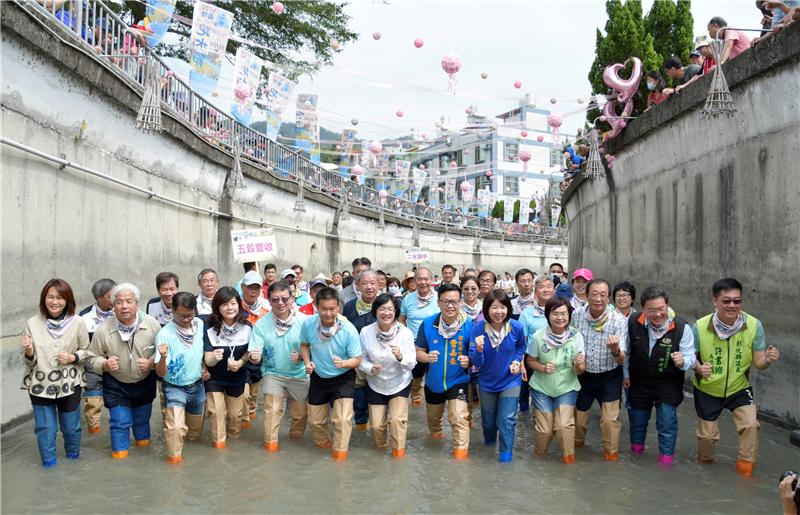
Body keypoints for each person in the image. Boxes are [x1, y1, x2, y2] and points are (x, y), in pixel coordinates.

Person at [692, 277, 780, 476]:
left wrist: (767, 359)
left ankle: (745, 474)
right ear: (715, 301)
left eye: (737, 301)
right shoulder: (699, 327)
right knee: (707, 437)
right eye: (727, 301)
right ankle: (705, 473)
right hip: (708, 389)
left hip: (738, 387)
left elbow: (758, 363)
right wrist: (698, 369)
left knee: (750, 425)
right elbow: (690, 358)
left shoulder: (754, 325)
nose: (732, 305)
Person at [22, 279, 90, 468]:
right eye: (50, 297)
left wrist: (72, 357)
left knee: (71, 427)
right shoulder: (33, 323)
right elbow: (29, 361)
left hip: (70, 384)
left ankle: (73, 460)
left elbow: (87, 351)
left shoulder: (78, 322)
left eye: (59, 298)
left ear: (67, 300)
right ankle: (49, 466)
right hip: (40, 383)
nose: (54, 302)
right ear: (44, 299)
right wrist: (29, 352)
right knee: (45, 429)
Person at [89, 283, 161, 459]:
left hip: (144, 381)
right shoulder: (103, 330)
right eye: (119, 302)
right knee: (119, 423)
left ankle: (144, 460)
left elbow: (162, 352)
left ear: (137, 303)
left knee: (142, 422)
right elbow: (91, 358)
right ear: (113, 305)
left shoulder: (152, 324)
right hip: (116, 384)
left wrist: (151, 362)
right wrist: (105, 364)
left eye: (129, 301)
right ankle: (119, 460)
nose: (124, 306)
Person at [626, 287, 695, 467]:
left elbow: (691, 357)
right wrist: (625, 375)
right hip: (640, 382)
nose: (658, 314)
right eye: (652, 310)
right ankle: (636, 457)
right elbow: (627, 352)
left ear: (667, 306)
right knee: (637, 422)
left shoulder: (681, 327)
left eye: (661, 308)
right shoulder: (633, 321)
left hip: (668, 383)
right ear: (643, 309)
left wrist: (683, 361)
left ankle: (665, 464)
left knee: (667, 424)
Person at [300, 287, 362, 460]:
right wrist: (307, 362)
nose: (328, 313)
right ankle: (323, 448)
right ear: (316, 307)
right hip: (319, 377)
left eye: (332, 309)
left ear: (338, 308)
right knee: (316, 422)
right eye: (324, 309)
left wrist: (344, 363)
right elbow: (304, 345)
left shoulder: (348, 329)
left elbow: (357, 359)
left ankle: (340, 456)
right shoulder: (309, 324)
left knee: (342, 420)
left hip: (343, 377)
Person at [415, 283, 474, 459]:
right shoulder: (427, 324)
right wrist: (426, 358)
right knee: (434, 423)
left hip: (459, 380)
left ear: (460, 303)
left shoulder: (469, 325)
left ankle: (460, 460)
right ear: (439, 303)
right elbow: (417, 351)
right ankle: (435, 452)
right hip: (433, 382)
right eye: (446, 302)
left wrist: (469, 361)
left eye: (454, 302)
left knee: (459, 417)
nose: (450, 306)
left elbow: (478, 356)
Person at [572, 278, 628, 462]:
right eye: (594, 294)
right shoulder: (577, 315)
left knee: (609, 421)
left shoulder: (618, 320)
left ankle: (611, 456)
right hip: (583, 375)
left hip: (610, 376)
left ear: (609, 298)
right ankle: (576, 450)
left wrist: (615, 350)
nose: (598, 299)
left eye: (603, 295)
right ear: (586, 296)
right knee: (579, 420)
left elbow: (621, 360)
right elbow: (571, 342)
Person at [249, 281, 309, 452]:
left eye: (284, 298)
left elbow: (314, 347)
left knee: (300, 415)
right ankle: (270, 447)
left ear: (292, 299)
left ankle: (295, 444)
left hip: (299, 374)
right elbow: (255, 353)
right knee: (272, 411)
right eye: (275, 299)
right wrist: (254, 357)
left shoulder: (305, 321)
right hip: (272, 373)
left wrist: (303, 357)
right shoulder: (261, 324)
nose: (280, 303)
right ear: (268, 301)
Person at [468, 290, 526, 462]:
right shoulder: (478, 329)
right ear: (487, 310)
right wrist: (478, 349)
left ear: (508, 308)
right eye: (494, 308)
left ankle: (505, 457)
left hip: (510, 380)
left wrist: (516, 361)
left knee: (507, 419)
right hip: (486, 382)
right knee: (488, 422)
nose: (498, 312)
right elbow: (476, 362)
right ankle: (489, 447)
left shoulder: (516, 327)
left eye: (502, 307)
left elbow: (521, 347)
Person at [527, 297, 585, 463]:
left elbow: (581, 371)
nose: (560, 318)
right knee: (545, 429)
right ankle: (539, 458)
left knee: (563, 426)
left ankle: (568, 460)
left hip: (567, 387)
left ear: (569, 316)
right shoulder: (538, 337)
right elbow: (530, 360)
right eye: (556, 313)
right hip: (541, 387)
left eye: (564, 314)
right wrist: (543, 368)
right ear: (548, 315)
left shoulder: (576, 336)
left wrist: (579, 365)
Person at [359, 294, 417, 457]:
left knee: (397, 421)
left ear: (396, 311)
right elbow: (361, 359)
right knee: (377, 426)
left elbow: (412, 362)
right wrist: (370, 368)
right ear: (375, 311)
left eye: (390, 309)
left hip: (399, 382)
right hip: (376, 383)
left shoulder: (405, 333)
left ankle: (398, 457)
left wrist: (400, 357)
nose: (386, 313)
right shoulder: (366, 332)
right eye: (382, 309)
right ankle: (380, 455)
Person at [154, 292, 207, 463]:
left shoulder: (199, 324)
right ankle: (174, 461)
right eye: (181, 315)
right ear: (172, 311)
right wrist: (162, 357)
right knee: (175, 427)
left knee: (194, 433)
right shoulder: (164, 334)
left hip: (197, 386)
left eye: (190, 315)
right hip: (174, 387)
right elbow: (160, 373)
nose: (186, 319)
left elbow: (202, 351)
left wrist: (205, 367)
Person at [203, 287, 251, 449]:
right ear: (217, 307)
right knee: (216, 413)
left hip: (237, 377)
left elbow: (248, 353)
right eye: (224, 304)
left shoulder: (248, 326)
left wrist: (241, 362)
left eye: (233, 303)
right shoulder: (208, 326)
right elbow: (207, 359)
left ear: (239, 304)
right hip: (214, 377)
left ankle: (235, 447)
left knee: (235, 417)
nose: (229, 308)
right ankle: (219, 446)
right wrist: (212, 359)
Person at [342, 269, 381, 430]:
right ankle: (361, 423)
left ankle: (378, 424)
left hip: (379, 356)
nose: (369, 287)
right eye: (364, 283)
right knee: (358, 389)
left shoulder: (386, 304)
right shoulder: (350, 306)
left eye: (373, 283)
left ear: (379, 284)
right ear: (357, 285)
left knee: (379, 391)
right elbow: (345, 331)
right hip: (357, 356)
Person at [79, 278, 116, 434]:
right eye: (110, 296)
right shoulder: (84, 317)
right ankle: (94, 433)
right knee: (93, 402)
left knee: (117, 401)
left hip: (115, 363)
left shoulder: (122, 312)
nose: (114, 299)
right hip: (93, 364)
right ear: (98, 298)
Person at [399, 267, 440, 406]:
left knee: (434, 372)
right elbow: (402, 319)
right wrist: (404, 337)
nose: (423, 282)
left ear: (432, 280)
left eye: (426, 279)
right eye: (419, 279)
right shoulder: (407, 299)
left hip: (435, 341)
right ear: (415, 281)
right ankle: (416, 395)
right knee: (416, 373)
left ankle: (433, 399)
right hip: (414, 342)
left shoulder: (439, 299)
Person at [518, 274, 556, 412]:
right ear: (535, 291)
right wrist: (522, 364)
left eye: (549, 286)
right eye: (542, 287)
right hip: (532, 360)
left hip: (555, 359)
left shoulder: (562, 311)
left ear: (554, 290)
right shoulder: (526, 314)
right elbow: (521, 342)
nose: (546, 290)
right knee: (528, 394)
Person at [240, 270, 270, 428]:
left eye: (257, 288)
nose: (253, 291)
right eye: (250, 287)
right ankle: (243, 421)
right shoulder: (234, 305)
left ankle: (251, 413)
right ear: (242, 287)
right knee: (243, 395)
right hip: (241, 356)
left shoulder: (267, 307)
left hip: (259, 357)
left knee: (254, 394)